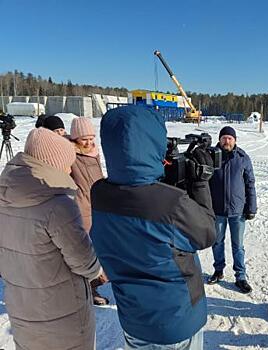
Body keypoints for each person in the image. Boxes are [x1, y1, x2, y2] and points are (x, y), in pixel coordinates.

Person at [90, 105, 216, 350]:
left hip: (134, 320)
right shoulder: (171, 203)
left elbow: (139, 200)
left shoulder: (99, 194)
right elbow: (207, 232)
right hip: (176, 321)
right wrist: (200, 184)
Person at [0, 127, 103, 350]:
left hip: (22, 312)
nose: (69, 170)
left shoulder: (4, 194)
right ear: (53, 163)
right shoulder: (58, 206)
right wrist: (98, 269)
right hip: (62, 317)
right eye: (67, 164)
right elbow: (85, 264)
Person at [207, 126, 257, 294]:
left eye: (230, 138)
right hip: (217, 209)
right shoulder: (211, 156)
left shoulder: (242, 158)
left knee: (238, 245)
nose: (226, 141)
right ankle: (219, 270)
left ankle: (240, 277)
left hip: (238, 210)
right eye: (224, 138)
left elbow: (250, 184)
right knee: (217, 242)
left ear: (234, 140)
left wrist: (251, 207)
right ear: (219, 139)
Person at [69, 117, 108, 305]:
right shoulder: (70, 154)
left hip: (100, 205)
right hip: (82, 208)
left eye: (91, 137)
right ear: (75, 138)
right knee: (88, 252)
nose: (89, 142)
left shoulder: (94, 152)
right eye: (84, 138)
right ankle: (89, 289)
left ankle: (96, 283)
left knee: (103, 248)